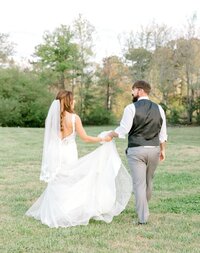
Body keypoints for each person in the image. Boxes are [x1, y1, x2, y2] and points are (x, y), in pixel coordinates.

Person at [25, 90, 132, 228]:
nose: (74, 101)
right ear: (69, 101)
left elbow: (51, 139)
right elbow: (86, 138)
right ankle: (67, 211)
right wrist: (102, 138)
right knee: (69, 180)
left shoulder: (53, 118)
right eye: (73, 99)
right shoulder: (74, 118)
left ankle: (54, 212)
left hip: (56, 153)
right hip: (69, 153)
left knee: (57, 180)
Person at [108, 80, 167, 225]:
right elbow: (163, 133)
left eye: (133, 90)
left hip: (136, 150)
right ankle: (143, 210)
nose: (132, 93)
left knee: (139, 184)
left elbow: (123, 129)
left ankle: (142, 218)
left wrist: (111, 133)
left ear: (140, 90)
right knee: (148, 181)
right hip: (154, 150)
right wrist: (163, 150)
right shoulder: (159, 108)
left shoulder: (131, 108)